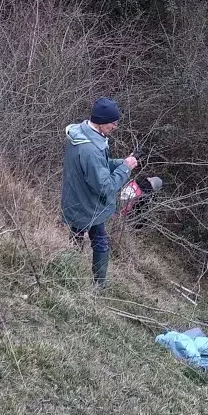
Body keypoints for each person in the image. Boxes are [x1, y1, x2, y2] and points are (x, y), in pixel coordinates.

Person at [61, 97, 138, 287]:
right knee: (101, 242)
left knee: (77, 236)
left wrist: (121, 163)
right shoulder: (91, 149)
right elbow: (105, 186)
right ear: (102, 121)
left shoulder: (82, 134)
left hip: (75, 200)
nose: (115, 127)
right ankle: (99, 287)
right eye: (113, 123)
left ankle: (67, 274)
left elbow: (97, 168)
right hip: (89, 205)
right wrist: (125, 169)